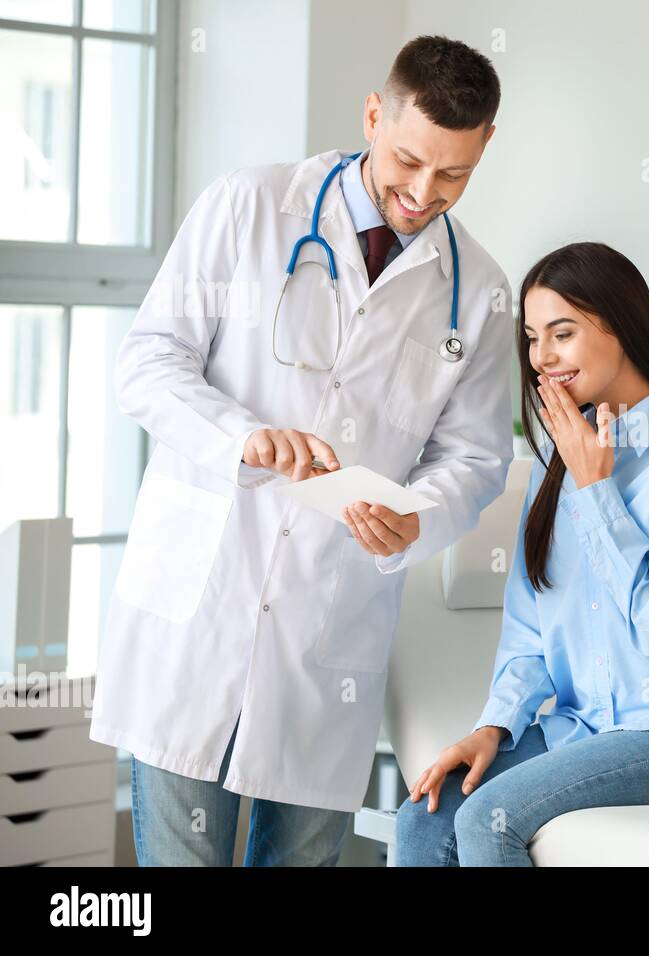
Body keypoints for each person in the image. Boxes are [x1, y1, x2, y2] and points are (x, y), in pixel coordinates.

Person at [90, 35, 514, 866]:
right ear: (372, 115)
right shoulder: (249, 205)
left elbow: (474, 460)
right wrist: (242, 436)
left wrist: (416, 517)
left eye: (454, 175)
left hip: (329, 633)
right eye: (408, 162)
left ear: (484, 148)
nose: (424, 194)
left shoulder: (480, 292)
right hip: (198, 606)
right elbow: (146, 363)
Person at [394, 242, 649, 866]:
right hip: (587, 729)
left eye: (562, 333)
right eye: (533, 338)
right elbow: (529, 628)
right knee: (425, 818)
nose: (543, 357)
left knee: (492, 819)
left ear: (620, 324)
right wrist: (494, 726)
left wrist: (597, 487)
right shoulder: (562, 460)